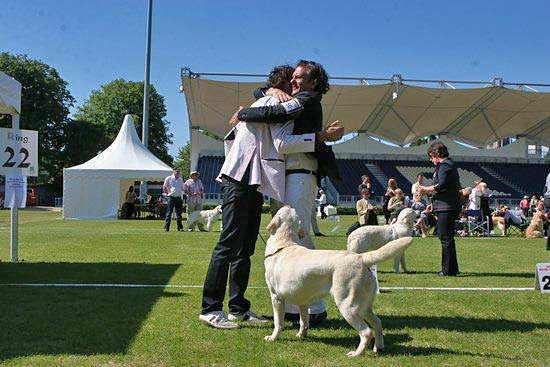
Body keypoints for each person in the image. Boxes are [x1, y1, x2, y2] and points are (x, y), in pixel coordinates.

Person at [235, 60, 344, 326]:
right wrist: (269, 92)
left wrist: (244, 114)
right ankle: (301, 308)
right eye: (292, 78)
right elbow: (263, 93)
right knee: (293, 241)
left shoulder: (307, 99)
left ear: (313, 82)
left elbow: (275, 116)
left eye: (299, 78)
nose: (293, 82)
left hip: (300, 174)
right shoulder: (301, 96)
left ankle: (313, 308)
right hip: (291, 176)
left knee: (300, 241)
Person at [418, 141, 462, 276]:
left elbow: (441, 185)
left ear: (436, 154)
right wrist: (433, 202)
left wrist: (426, 190)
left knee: (444, 237)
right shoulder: (448, 166)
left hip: (446, 207)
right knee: (448, 238)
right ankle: (452, 269)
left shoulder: (445, 165)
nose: (431, 160)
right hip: (445, 205)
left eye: (431, 157)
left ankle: (447, 270)